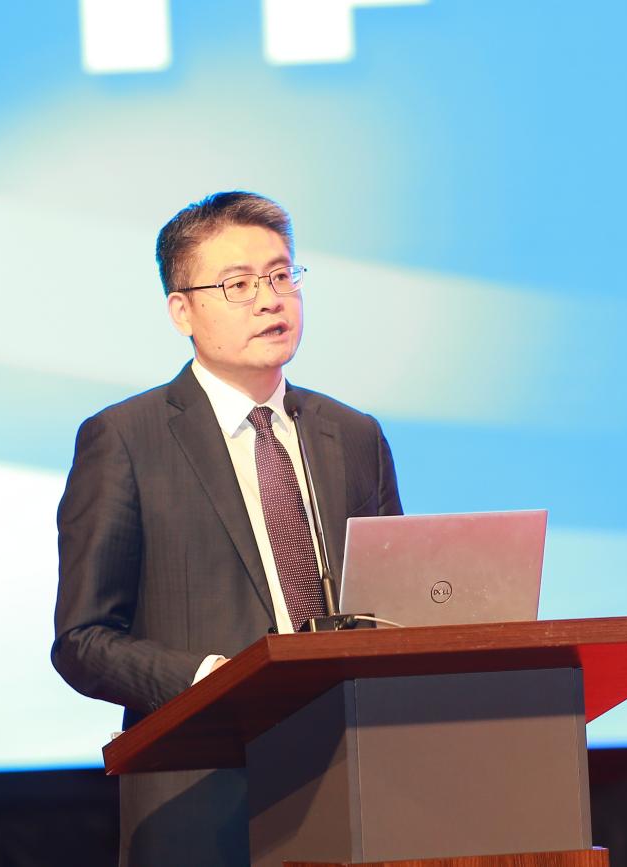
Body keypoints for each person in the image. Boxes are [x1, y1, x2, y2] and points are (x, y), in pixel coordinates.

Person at [52, 191, 403, 867]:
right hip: (203, 801)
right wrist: (213, 680)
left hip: (357, 789)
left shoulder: (353, 434)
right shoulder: (125, 439)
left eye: (281, 275)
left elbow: (393, 610)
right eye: (238, 284)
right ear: (181, 310)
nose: (270, 300)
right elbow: (83, 640)